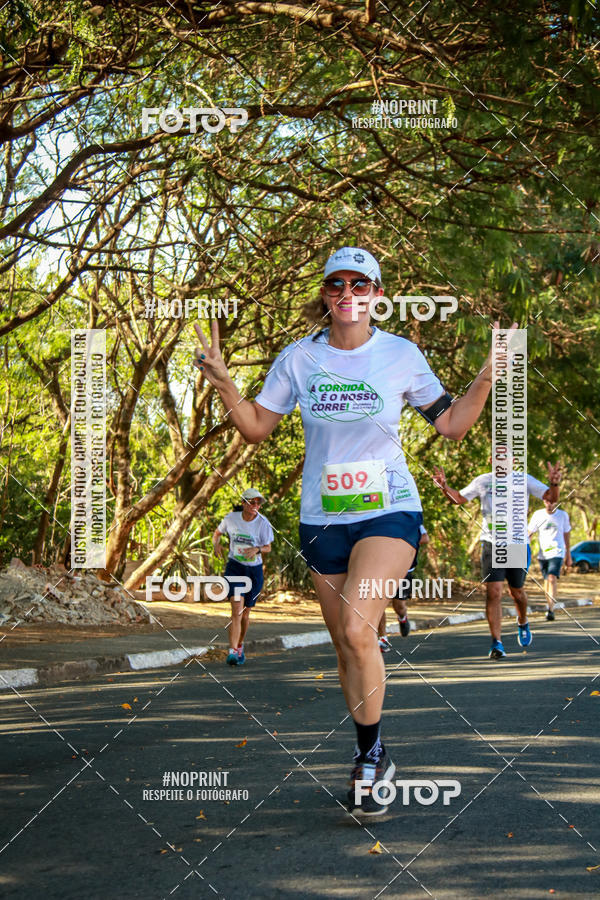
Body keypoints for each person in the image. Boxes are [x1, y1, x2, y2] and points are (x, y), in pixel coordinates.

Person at [194, 245, 506, 816]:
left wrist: (485, 379)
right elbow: (257, 427)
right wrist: (222, 382)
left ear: (377, 296)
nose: (348, 295)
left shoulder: (401, 355)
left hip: (389, 510)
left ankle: (369, 757)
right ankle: (373, 751)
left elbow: (454, 426)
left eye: (360, 286)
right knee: (344, 642)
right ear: (326, 294)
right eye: (337, 285)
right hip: (322, 519)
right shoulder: (297, 359)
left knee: (361, 631)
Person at [432, 460, 561, 659]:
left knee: (516, 592)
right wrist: (444, 487)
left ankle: (523, 621)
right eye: (497, 455)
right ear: (491, 461)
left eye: (505, 455)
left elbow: (551, 497)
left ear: (512, 460)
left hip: (517, 543)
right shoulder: (483, 481)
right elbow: (458, 498)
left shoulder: (523, 480)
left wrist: (554, 484)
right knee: (493, 593)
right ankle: (497, 643)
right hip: (492, 543)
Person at [213, 488, 274, 666]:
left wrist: (257, 549)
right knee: (236, 610)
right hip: (235, 568)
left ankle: (239, 645)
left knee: (246, 614)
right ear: (243, 503)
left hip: (253, 571)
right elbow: (217, 533)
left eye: (258, 503)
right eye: (252, 502)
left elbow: (268, 547)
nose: (256, 506)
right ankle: (231, 652)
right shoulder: (231, 518)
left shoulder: (263, 523)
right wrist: (216, 544)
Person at [377, 525, 429, 650]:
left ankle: (402, 617)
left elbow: (425, 538)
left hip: (404, 569)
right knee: (379, 603)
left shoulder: (409, 516)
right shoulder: (377, 517)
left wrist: (401, 541)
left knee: (399, 606)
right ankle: (383, 639)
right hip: (381, 567)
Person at [528, 498, 572, 621]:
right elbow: (529, 533)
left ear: (556, 502)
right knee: (547, 581)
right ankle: (549, 605)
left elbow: (566, 534)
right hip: (543, 554)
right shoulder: (538, 514)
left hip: (557, 552)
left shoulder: (563, 515)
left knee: (552, 578)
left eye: (552, 501)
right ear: (544, 501)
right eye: (547, 501)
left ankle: (550, 610)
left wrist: (568, 554)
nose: (550, 504)